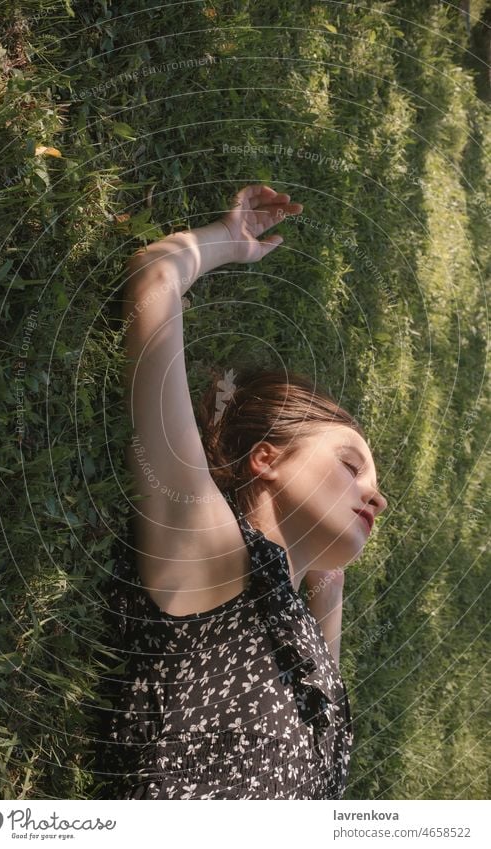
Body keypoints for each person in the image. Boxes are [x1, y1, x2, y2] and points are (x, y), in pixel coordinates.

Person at [95, 184, 388, 800]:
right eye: (351, 465)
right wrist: (225, 242)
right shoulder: (219, 554)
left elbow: (321, 686)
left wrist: (324, 577)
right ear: (265, 460)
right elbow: (154, 280)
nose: (376, 496)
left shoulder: (294, 631)